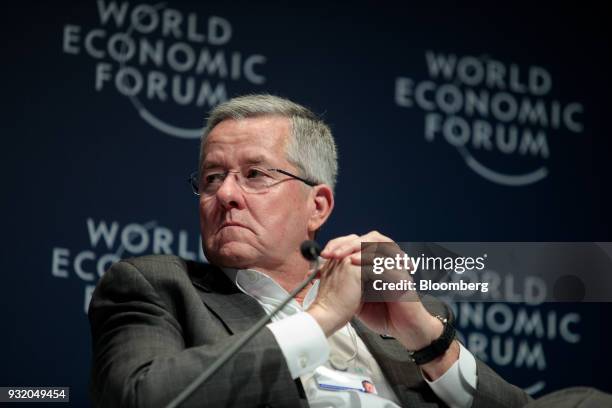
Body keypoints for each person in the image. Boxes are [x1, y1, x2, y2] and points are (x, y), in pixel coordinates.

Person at [89, 94, 531, 407]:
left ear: (317, 205)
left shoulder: (395, 317)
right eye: (211, 178)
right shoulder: (159, 287)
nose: (225, 194)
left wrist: (428, 341)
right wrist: (319, 321)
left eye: (255, 174)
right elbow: (137, 398)